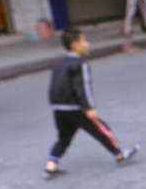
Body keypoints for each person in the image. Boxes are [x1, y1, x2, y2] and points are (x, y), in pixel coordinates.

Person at [43, 28, 139, 179]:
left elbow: (54, 85)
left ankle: (51, 164)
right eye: (84, 41)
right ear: (75, 44)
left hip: (58, 107)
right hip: (76, 107)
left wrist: (56, 104)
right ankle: (120, 155)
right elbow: (83, 87)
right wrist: (89, 107)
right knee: (101, 130)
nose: (87, 44)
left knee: (64, 137)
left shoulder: (59, 64)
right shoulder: (81, 63)